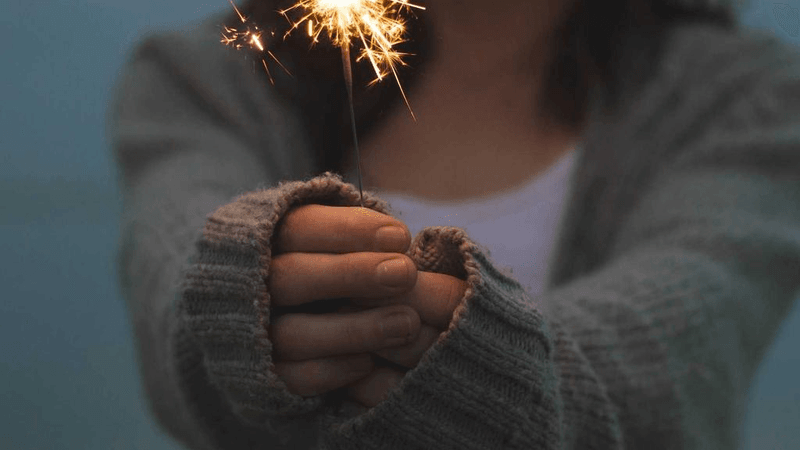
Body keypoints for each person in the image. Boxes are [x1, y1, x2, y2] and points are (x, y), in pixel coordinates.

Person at [108, 0, 800, 448]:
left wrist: (495, 368)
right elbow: (177, 278)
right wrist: (243, 298)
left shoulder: (744, 100)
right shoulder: (203, 79)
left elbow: (686, 345)